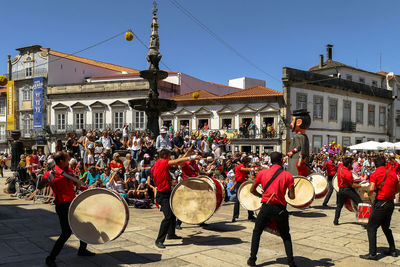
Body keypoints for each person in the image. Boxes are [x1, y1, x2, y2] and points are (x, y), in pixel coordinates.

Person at [38, 152, 94, 267]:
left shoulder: (69, 171)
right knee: (66, 233)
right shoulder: (51, 173)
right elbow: (39, 187)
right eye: (67, 159)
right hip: (62, 206)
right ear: (61, 161)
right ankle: (50, 258)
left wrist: (85, 186)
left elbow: (78, 185)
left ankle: (82, 250)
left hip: (73, 204)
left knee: (83, 226)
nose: (69, 161)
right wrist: (47, 177)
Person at [247, 152, 296, 267]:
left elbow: (252, 190)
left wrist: (261, 196)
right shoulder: (288, 175)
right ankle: (291, 262)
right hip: (280, 208)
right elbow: (292, 197)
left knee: (257, 232)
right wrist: (290, 191)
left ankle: (252, 259)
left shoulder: (262, 173)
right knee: (285, 235)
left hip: (266, 206)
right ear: (281, 161)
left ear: (271, 161)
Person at [152, 148, 201, 249]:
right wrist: (192, 157)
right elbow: (178, 161)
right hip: (163, 194)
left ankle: (171, 234)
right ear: (165, 156)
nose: (170, 158)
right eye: (169, 156)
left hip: (167, 192)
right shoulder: (162, 162)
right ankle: (159, 240)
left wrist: (187, 153)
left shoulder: (157, 163)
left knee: (173, 212)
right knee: (168, 217)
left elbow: (179, 160)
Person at [360, 156, 400, 260]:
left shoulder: (375, 174)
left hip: (380, 204)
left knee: (371, 228)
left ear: (375, 164)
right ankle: (393, 250)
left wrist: (367, 193)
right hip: (390, 203)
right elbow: (398, 189)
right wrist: (389, 193)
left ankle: (372, 254)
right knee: (386, 227)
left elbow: (372, 188)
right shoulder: (393, 173)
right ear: (385, 163)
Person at [333, 157, 362, 225]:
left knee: (339, 206)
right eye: (351, 164)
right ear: (348, 164)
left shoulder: (340, 168)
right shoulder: (348, 173)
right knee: (360, 203)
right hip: (347, 189)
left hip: (340, 190)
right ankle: (364, 220)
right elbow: (352, 185)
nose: (352, 165)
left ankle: (336, 220)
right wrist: (361, 185)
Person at [232, 157, 257, 222]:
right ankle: (235, 216)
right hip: (239, 184)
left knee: (248, 198)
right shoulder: (240, 166)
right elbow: (244, 169)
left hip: (243, 183)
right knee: (238, 200)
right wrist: (253, 169)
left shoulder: (243, 166)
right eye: (248, 162)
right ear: (245, 162)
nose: (249, 163)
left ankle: (250, 215)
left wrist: (249, 177)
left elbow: (244, 174)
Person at [286, 109, 311, 176]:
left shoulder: (297, 136)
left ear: (299, 122)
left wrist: (292, 152)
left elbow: (299, 147)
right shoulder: (304, 136)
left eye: (292, 121)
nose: (291, 123)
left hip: (296, 163)